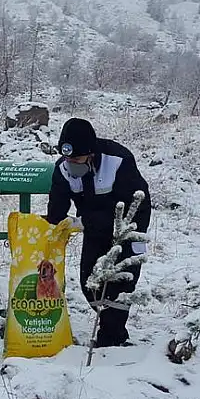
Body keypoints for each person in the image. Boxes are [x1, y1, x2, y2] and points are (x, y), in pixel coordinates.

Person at [45, 118, 151, 348]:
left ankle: (111, 340)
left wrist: (83, 222)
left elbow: (132, 205)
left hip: (128, 228)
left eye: (77, 159)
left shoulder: (119, 161)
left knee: (121, 282)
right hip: (93, 229)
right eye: (67, 158)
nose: (71, 163)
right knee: (89, 282)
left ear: (90, 153)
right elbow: (57, 209)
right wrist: (53, 224)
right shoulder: (63, 170)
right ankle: (109, 326)